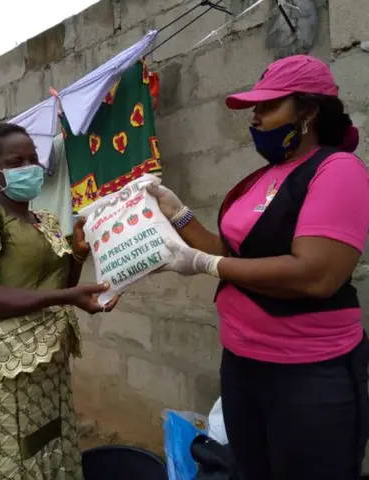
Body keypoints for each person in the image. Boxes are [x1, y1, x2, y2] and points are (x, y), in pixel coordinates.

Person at [149, 55, 369, 480]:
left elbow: (316, 275)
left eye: (268, 107)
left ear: (307, 111)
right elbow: (232, 255)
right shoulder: (264, 178)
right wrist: (177, 213)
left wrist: (207, 264)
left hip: (307, 374)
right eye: (255, 108)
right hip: (242, 364)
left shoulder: (336, 170)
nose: (256, 118)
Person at [0, 123, 117, 479]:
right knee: (12, 461)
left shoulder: (45, 221)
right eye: (15, 161)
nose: (29, 167)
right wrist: (66, 295)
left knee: (50, 449)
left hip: (44, 362)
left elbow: (59, 287)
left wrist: (79, 258)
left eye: (33, 158)